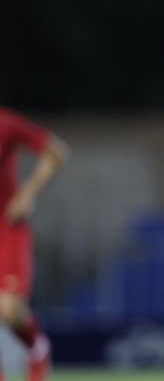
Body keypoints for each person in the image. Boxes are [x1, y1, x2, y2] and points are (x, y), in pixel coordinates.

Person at [0, 108, 68, 381]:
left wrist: (28, 193)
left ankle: (38, 349)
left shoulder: (6, 124)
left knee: (8, 309)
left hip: (7, 224)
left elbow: (57, 152)